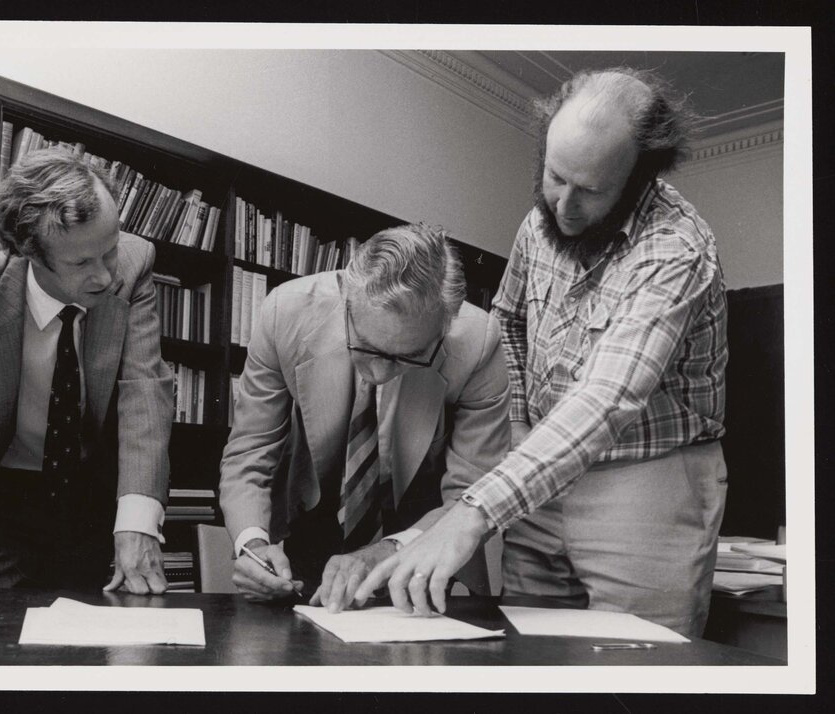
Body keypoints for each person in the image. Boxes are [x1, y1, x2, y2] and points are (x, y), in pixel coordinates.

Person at [357, 68, 729, 639]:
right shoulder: (538, 222)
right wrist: (522, 423)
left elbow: (606, 400)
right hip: (540, 472)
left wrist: (472, 513)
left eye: (593, 191)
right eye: (555, 177)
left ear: (641, 176)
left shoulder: (676, 252)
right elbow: (510, 319)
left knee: (638, 662)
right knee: (530, 651)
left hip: (645, 479)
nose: (564, 207)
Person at [0, 148, 174, 593]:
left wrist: (137, 521)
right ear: (27, 252)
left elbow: (145, 391)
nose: (104, 277)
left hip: (90, 495)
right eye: (81, 263)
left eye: (110, 251)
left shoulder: (134, 266)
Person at [218, 224, 511, 611]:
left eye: (407, 357)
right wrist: (252, 544)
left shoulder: (478, 343)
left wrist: (384, 552)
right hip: (312, 523)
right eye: (366, 347)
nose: (378, 372)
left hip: (420, 542)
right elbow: (250, 452)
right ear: (347, 303)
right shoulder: (284, 314)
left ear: (445, 327)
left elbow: (472, 494)